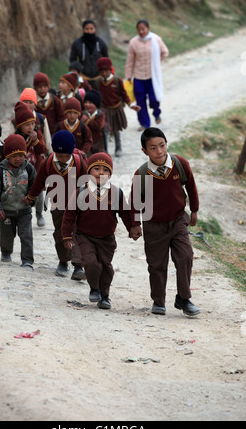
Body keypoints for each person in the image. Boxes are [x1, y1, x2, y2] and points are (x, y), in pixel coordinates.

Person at [130, 128, 200, 317]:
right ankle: (158, 301)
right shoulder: (142, 174)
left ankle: (184, 298)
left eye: (162, 145)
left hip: (178, 220)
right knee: (157, 264)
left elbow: (191, 185)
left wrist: (194, 209)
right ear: (145, 151)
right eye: (153, 148)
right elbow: (135, 201)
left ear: (166, 144)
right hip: (153, 224)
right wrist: (135, 224)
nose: (159, 151)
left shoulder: (179, 164)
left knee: (185, 256)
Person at [62, 153, 137, 310]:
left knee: (106, 267)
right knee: (90, 263)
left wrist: (132, 228)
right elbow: (69, 215)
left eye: (105, 170)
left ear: (110, 174)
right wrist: (67, 235)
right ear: (89, 172)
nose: (101, 173)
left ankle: (104, 296)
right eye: (96, 169)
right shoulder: (80, 192)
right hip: (85, 236)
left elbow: (125, 212)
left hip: (106, 239)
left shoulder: (116, 193)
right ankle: (94, 288)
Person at [23, 131, 87, 280]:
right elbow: (38, 183)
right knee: (60, 233)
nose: (63, 159)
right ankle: (63, 261)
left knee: (77, 232)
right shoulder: (47, 163)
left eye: (66, 156)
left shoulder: (78, 162)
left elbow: (87, 182)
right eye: (60, 155)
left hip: (77, 206)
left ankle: (78, 266)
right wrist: (31, 197)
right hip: (57, 205)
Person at [0, 133, 36, 269]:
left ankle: (27, 260)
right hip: (6, 211)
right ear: (7, 156)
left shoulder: (29, 169)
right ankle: (6, 253)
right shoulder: (0, 172)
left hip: (24, 211)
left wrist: (31, 199)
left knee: (26, 236)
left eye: (21, 155)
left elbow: (35, 187)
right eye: (14, 156)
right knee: (7, 235)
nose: (18, 159)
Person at [125, 19, 169, 130]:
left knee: (154, 99)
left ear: (148, 29)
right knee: (140, 100)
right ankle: (144, 123)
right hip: (139, 76)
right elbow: (130, 61)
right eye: (139, 29)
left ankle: (156, 113)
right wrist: (128, 76)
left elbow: (165, 52)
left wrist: (157, 63)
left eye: (143, 29)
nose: (141, 32)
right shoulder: (133, 42)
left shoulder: (156, 40)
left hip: (152, 76)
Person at [95, 57, 140, 157]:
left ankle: (118, 147)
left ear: (110, 69)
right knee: (105, 130)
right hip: (104, 109)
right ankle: (105, 150)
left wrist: (131, 105)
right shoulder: (98, 82)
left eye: (106, 71)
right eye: (102, 71)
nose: (104, 73)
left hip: (116, 109)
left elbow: (124, 94)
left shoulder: (117, 80)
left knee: (116, 130)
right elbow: (95, 95)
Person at [13, 101, 48, 227]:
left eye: (32, 123)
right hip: (22, 172)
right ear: (20, 126)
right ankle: (23, 216)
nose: (30, 127)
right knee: (22, 195)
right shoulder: (16, 137)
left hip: (37, 170)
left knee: (38, 194)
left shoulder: (37, 134)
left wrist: (35, 140)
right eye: (26, 125)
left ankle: (39, 213)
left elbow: (42, 150)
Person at [12, 87, 52, 155]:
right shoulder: (15, 121)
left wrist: (50, 154)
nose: (27, 105)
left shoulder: (41, 118)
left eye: (31, 102)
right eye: (25, 102)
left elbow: (48, 141)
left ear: (35, 105)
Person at [69, 19, 109, 87]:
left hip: (99, 78)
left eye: (91, 29)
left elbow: (106, 58)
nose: (89, 31)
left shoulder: (100, 43)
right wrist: (77, 72)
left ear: (95, 29)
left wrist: (104, 72)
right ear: (83, 29)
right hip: (83, 78)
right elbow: (73, 60)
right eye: (86, 29)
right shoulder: (77, 44)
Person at [33, 72, 64, 136]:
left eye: (45, 86)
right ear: (35, 88)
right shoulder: (33, 102)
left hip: (53, 134)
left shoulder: (55, 100)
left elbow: (61, 118)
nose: (42, 89)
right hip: (38, 135)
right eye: (39, 87)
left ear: (48, 86)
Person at [80, 89, 106, 156]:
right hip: (86, 142)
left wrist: (87, 121)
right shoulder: (82, 114)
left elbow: (99, 125)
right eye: (85, 102)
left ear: (96, 104)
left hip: (98, 142)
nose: (87, 105)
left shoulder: (100, 114)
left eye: (90, 103)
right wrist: (81, 122)